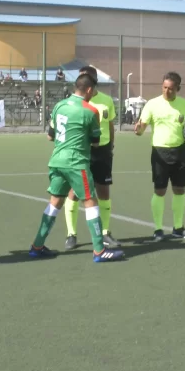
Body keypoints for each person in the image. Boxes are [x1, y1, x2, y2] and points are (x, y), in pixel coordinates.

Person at [29, 73, 125, 262]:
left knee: (55, 203)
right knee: (90, 201)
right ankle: (99, 250)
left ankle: (37, 246)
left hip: (57, 160)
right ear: (89, 90)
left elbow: (50, 136)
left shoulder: (59, 106)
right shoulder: (90, 111)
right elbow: (96, 142)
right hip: (76, 162)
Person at [135, 72, 185, 241]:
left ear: (178, 89)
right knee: (159, 191)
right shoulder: (152, 104)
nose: (167, 91)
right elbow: (142, 127)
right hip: (160, 153)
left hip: (180, 152)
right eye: (165, 87)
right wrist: (138, 129)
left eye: (171, 89)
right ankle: (158, 229)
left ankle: (178, 228)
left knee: (180, 190)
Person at [64, 66, 118, 250]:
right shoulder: (74, 102)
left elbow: (110, 125)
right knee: (74, 192)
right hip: (81, 151)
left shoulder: (106, 101)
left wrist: (111, 146)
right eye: (81, 78)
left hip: (102, 152)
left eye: (86, 78)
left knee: (103, 192)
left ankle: (105, 233)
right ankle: (71, 234)